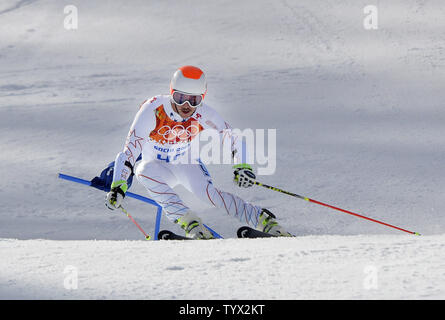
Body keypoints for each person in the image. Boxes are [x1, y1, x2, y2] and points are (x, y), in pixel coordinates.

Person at [105, 65, 291, 239]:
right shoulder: (153, 110)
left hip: (185, 162)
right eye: (180, 97)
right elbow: (130, 149)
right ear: (171, 94)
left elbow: (231, 137)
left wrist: (242, 165)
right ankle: (191, 224)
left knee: (208, 194)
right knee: (142, 171)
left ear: (202, 97)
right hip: (156, 166)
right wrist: (118, 185)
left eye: (194, 99)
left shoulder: (203, 114)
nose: (187, 105)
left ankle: (263, 220)